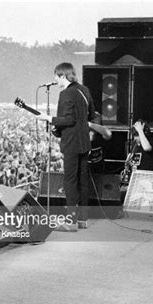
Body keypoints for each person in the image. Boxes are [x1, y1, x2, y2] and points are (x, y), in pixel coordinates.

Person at [36, 63, 95, 231]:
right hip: (84, 142)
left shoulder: (65, 93)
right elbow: (91, 115)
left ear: (63, 75)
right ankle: (82, 220)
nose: (55, 79)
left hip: (71, 143)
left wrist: (49, 119)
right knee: (83, 181)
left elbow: (68, 120)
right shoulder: (85, 90)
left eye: (56, 76)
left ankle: (71, 222)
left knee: (70, 181)